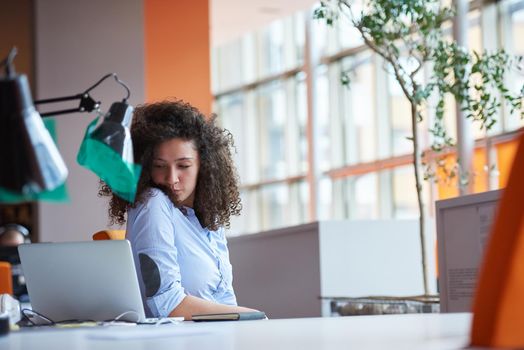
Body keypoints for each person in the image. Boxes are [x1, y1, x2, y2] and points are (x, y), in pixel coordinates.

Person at [100, 99, 257, 320]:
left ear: (205, 164)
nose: (171, 179)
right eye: (159, 166)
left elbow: (225, 301)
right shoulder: (153, 202)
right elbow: (167, 303)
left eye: (183, 166)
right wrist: (256, 317)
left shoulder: (210, 217)